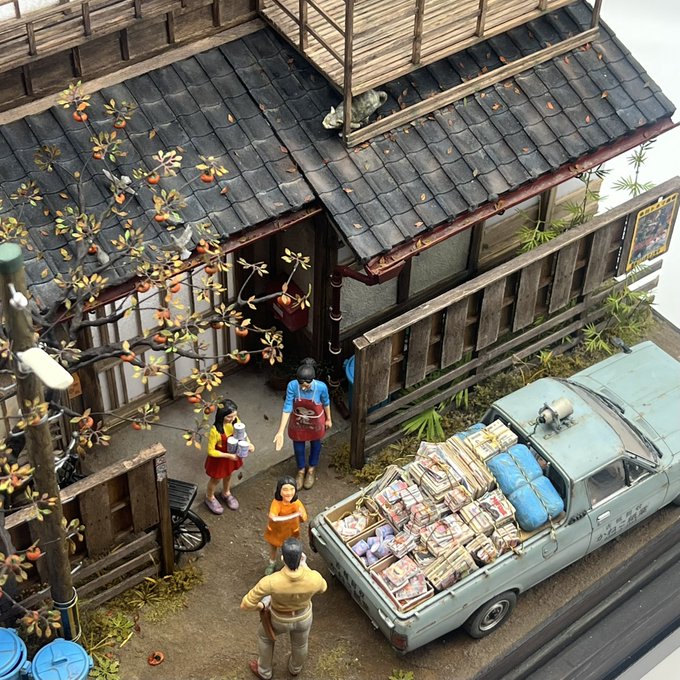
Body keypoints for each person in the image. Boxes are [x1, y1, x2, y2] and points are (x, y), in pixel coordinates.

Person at [240, 537, 327, 680]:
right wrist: (305, 566)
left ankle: (264, 671)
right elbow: (323, 587)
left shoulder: (270, 581)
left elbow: (246, 604)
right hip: (303, 617)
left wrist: (262, 605)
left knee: (265, 637)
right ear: (301, 557)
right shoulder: (314, 578)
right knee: (300, 644)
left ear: (283, 558)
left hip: (278, 618)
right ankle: (295, 668)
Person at [273, 358, 332, 490]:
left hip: (316, 422)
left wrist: (329, 419)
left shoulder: (321, 387)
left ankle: (311, 469)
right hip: (298, 421)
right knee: (298, 446)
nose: (304, 387)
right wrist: (280, 431)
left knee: (316, 444)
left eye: (307, 385)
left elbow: (326, 402)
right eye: (301, 385)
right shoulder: (292, 386)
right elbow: (287, 407)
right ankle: (300, 470)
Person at [203, 400, 254, 514]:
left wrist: (249, 443)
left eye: (234, 416)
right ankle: (209, 497)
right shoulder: (215, 431)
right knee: (215, 479)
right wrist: (229, 456)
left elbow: (243, 434)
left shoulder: (236, 421)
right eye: (229, 417)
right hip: (220, 459)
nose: (232, 419)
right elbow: (211, 451)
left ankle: (226, 492)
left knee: (228, 475)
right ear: (222, 415)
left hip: (232, 456)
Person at [264, 476, 307, 575]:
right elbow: (273, 516)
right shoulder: (276, 503)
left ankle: (293, 563)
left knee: (292, 549)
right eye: (285, 490)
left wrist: (301, 515)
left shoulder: (296, 503)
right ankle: (272, 563)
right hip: (277, 531)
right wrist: (293, 515)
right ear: (279, 491)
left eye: (292, 489)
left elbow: (304, 518)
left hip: (291, 532)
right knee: (273, 547)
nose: (289, 493)